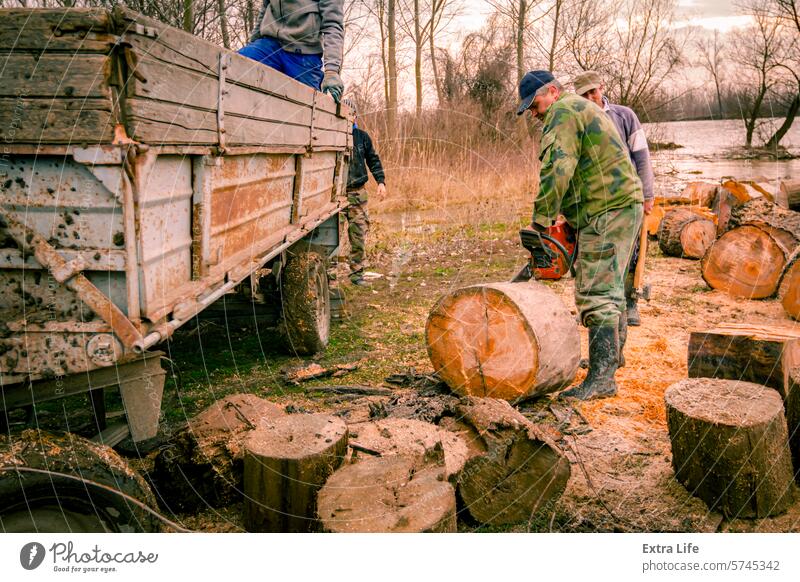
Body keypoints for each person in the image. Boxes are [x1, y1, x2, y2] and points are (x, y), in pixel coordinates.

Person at [517, 70, 643, 400]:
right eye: (529, 109)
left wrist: (540, 222)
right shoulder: (577, 109)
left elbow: (558, 166)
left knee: (595, 290)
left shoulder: (563, 111)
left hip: (608, 209)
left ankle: (602, 380)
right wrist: (570, 218)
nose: (534, 112)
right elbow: (580, 170)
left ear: (553, 92)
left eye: (535, 104)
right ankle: (610, 362)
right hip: (613, 206)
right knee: (610, 289)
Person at [572, 70, 654, 327]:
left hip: (627, 194)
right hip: (597, 199)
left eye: (593, 91)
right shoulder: (578, 121)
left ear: (602, 88)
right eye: (584, 95)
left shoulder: (624, 116)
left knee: (630, 252)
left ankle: (630, 302)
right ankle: (600, 306)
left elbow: (642, 156)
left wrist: (647, 194)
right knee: (598, 253)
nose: (591, 97)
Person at [239, 0, 345, 101]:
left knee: (309, 107)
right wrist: (253, 43)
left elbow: (333, 24)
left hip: (304, 53)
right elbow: (265, 9)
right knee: (235, 67)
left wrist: (331, 71)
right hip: (269, 45)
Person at [343, 101, 386, 286]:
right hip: (333, 197)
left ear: (355, 116)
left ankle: (356, 274)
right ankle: (329, 277)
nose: (348, 116)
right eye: (345, 112)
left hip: (357, 194)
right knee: (329, 239)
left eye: (351, 113)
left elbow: (373, 160)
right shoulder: (329, 135)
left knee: (359, 234)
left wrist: (381, 182)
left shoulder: (361, 137)